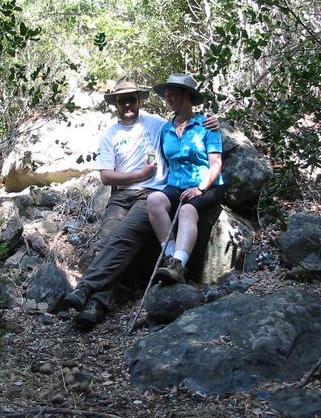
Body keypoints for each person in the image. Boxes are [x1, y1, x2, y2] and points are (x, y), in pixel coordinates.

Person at [63, 76, 219, 330]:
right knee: (106, 240)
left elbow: (189, 123)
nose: (127, 104)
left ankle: (87, 292)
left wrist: (215, 122)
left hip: (150, 193)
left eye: (131, 99)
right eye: (122, 100)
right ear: (115, 103)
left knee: (124, 237)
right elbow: (105, 176)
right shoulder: (110, 134)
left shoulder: (158, 124)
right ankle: (96, 303)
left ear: (139, 100)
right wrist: (138, 175)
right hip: (120, 196)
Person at [147, 73, 225, 285]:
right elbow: (156, 157)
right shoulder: (165, 129)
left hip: (207, 185)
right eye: (167, 95)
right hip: (176, 185)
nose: (168, 99)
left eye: (173, 95)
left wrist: (200, 188)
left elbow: (216, 164)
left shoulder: (206, 126)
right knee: (154, 201)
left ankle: (180, 264)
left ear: (187, 96)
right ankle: (171, 257)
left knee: (187, 210)